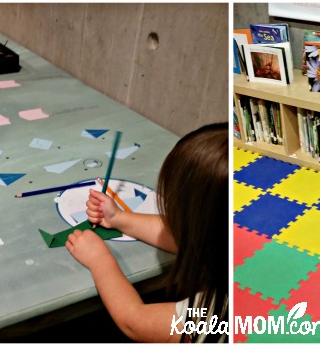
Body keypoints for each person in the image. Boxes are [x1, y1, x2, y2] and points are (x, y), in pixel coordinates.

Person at [65, 123, 228, 343]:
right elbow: (188, 240)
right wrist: (119, 219)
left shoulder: (219, 311)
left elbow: (135, 322)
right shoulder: (228, 243)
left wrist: (99, 260)